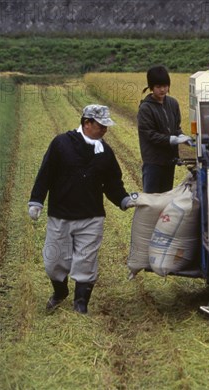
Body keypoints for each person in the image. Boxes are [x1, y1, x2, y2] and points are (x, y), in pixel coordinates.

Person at [28, 104, 137, 314]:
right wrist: (36, 201)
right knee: (54, 262)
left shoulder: (105, 152)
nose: (105, 130)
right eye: (101, 126)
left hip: (91, 216)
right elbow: (45, 174)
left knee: (86, 261)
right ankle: (60, 292)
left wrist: (123, 200)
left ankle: (81, 303)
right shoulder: (61, 144)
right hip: (61, 215)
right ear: (87, 123)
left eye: (106, 126)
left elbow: (113, 183)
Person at [137, 65, 193, 193]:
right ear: (151, 87)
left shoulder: (173, 103)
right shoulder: (146, 108)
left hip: (169, 160)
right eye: (158, 87)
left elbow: (176, 128)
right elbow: (150, 135)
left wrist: (183, 137)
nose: (162, 90)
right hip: (153, 161)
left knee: (166, 196)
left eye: (165, 86)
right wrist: (172, 140)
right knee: (152, 199)